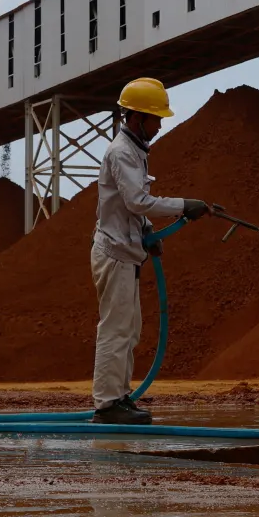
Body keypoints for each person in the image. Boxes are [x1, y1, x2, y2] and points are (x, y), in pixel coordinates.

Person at [91, 78, 213, 424]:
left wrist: (146, 230)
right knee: (116, 330)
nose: (159, 126)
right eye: (155, 119)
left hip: (126, 251)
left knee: (129, 331)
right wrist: (184, 205)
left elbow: (129, 207)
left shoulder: (135, 151)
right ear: (135, 118)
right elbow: (137, 200)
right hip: (115, 253)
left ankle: (120, 397)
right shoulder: (122, 152)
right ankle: (107, 405)